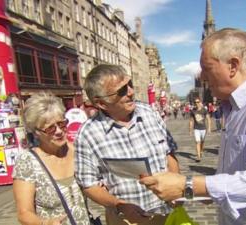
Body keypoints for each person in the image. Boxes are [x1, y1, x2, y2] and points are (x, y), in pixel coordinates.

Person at [140, 28, 246, 224]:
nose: (202, 76)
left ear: (233, 66)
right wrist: (196, 192)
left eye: (207, 68)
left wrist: (190, 185)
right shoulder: (233, 108)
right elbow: (236, 178)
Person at [75, 64, 179, 225]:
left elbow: (169, 153)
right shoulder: (87, 134)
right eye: (122, 90)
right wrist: (120, 206)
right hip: (126, 220)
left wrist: (177, 187)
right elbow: (88, 184)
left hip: (169, 213)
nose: (131, 92)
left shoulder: (150, 113)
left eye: (129, 84)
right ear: (101, 103)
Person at [13, 92, 90, 225]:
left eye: (61, 124)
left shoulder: (79, 151)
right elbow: (24, 213)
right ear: (36, 132)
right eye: (50, 129)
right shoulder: (27, 161)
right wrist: (45, 223)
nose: (59, 131)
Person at [189, 97, 211, 162]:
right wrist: (190, 130)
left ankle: (201, 151)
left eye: (198, 102)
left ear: (200, 102)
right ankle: (198, 156)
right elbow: (191, 121)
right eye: (195, 102)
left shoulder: (204, 110)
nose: (197, 103)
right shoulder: (193, 111)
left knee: (202, 142)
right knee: (197, 142)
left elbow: (208, 119)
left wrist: (209, 127)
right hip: (196, 128)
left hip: (203, 128)